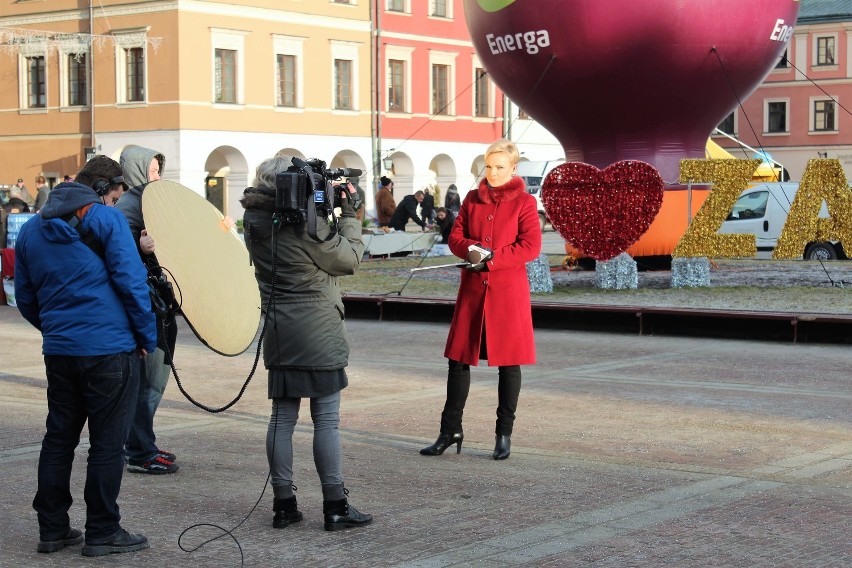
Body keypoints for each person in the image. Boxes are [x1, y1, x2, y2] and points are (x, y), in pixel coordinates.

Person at [14, 155, 156, 556]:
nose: (114, 203)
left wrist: (57, 330)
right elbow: (132, 284)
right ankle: (102, 531)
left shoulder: (29, 232)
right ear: (101, 191)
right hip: (111, 349)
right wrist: (146, 336)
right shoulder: (106, 221)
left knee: (59, 439)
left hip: (60, 350)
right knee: (107, 445)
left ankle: (53, 528)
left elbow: (25, 298)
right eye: (114, 196)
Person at [241, 155, 372, 532]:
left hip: (281, 331)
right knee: (325, 421)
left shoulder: (255, 221)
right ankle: (335, 506)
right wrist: (349, 214)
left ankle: (283, 504)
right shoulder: (303, 226)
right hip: (317, 331)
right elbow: (347, 259)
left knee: (281, 419)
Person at [420, 139, 541, 461]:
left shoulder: (525, 203)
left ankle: (504, 435)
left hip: (507, 293)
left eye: (500, 167)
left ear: (513, 168)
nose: (493, 173)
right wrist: (472, 250)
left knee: (509, 365)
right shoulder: (473, 199)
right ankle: (450, 431)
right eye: (488, 166)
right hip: (473, 292)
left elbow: (530, 246)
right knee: (457, 362)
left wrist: (491, 259)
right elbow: (455, 237)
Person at [117, 145, 179, 475]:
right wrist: (140, 249)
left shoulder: (154, 202)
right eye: (152, 171)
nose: (157, 176)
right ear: (137, 171)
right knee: (145, 384)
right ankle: (138, 449)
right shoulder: (130, 205)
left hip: (160, 304)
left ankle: (143, 442)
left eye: (159, 170)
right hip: (146, 307)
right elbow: (120, 259)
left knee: (156, 381)